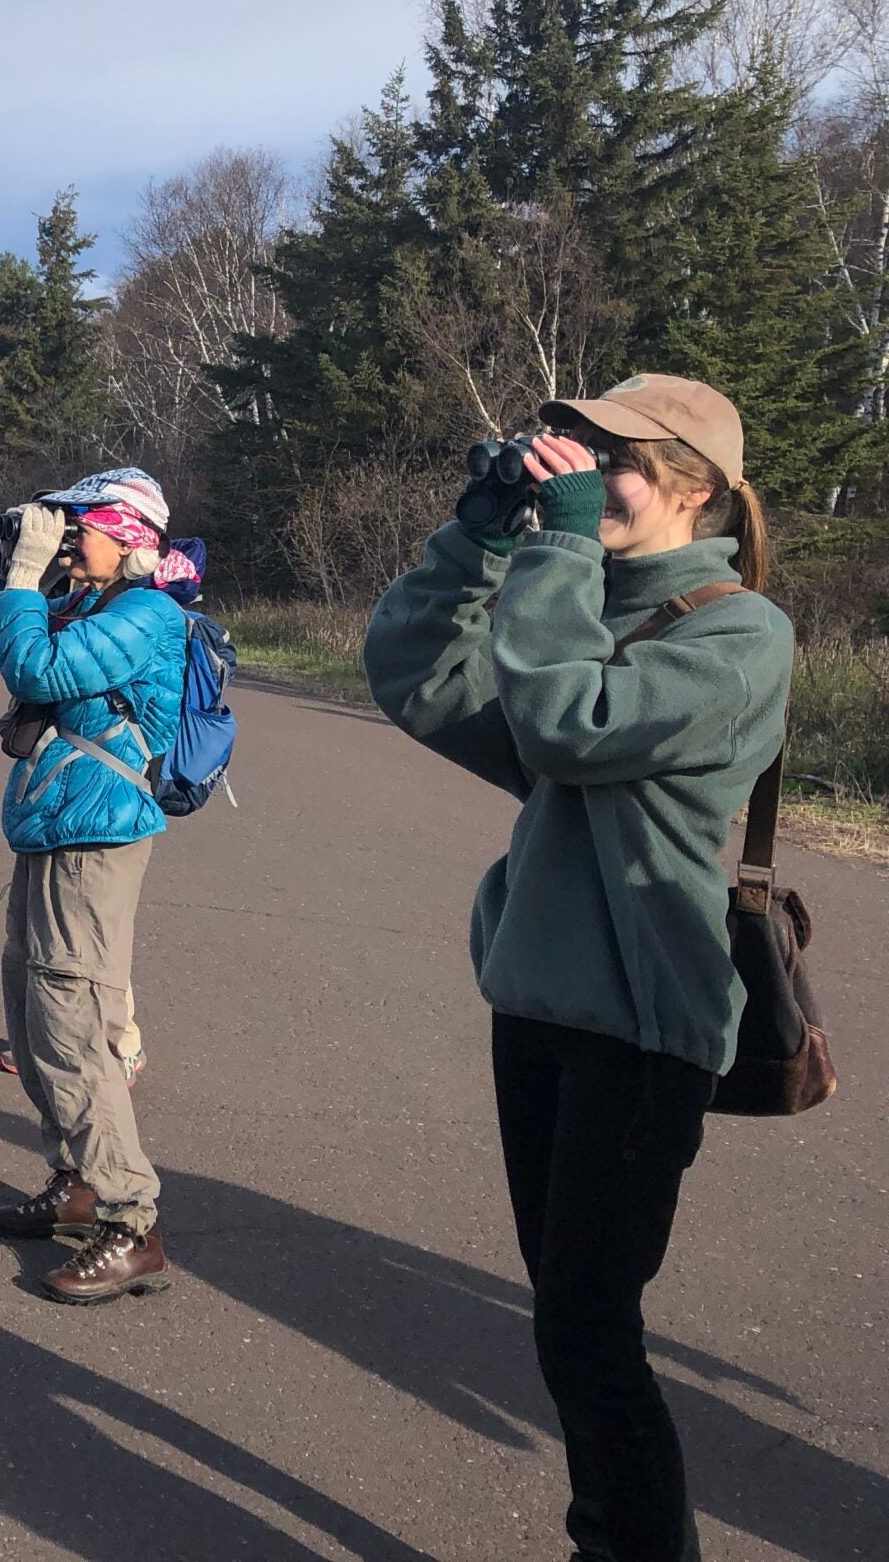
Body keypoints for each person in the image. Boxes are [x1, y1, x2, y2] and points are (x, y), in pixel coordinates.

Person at [363, 375, 790, 1562]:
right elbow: (420, 681)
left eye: (616, 457)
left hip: (641, 1023)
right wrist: (475, 537)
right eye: (573, 447)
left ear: (693, 489)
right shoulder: (578, 596)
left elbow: (565, 723)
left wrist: (550, 551)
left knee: (589, 1331)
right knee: (567, 1314)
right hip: (538, 1003)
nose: (585, 470)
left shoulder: (739, 632)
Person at [0, 467, 187, 1304]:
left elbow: (40, 671)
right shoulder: (89, 603)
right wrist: (2, 559)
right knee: (31, 1013)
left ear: (129, 537)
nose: (67, 539)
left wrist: (24, 585)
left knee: (73, 1025)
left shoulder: (149, 614)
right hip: (54, 827)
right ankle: (75, 1180)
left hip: (97, 840)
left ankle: (128, 1220)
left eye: (79, 528)